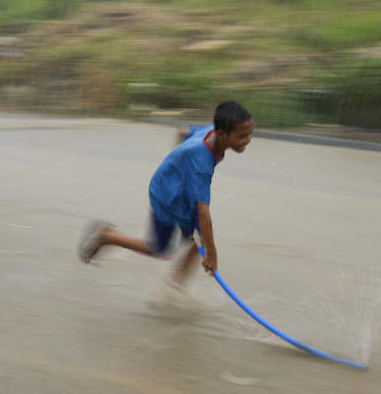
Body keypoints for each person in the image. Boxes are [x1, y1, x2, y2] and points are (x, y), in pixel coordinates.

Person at [78, 101, 254, 290]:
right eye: (242, 135)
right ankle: (107, 235)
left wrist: (178, 162)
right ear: (222, 134)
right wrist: (212, 254)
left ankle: (174, 289)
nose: (248, 139)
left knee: (201, 239)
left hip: (178, 190)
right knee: (160, 248)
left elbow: (185, 131)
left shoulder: (212, 130)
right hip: (167, 198)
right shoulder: (202, 164)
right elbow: (203, 213)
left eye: (250, 133)